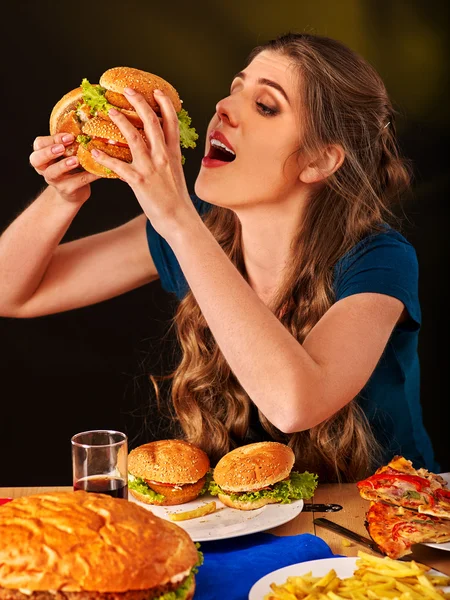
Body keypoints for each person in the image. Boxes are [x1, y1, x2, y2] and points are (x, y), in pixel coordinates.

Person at [0, 32, 439, 482]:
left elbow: (294, 405)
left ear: (320, 160)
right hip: (248, 524)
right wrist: (62, 197)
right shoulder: (199, 230)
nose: (223, 109)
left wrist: (177, 220)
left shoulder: (379, 259)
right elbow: (10, 293)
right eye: (235, 89)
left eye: (265, 105)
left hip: (389, 523)